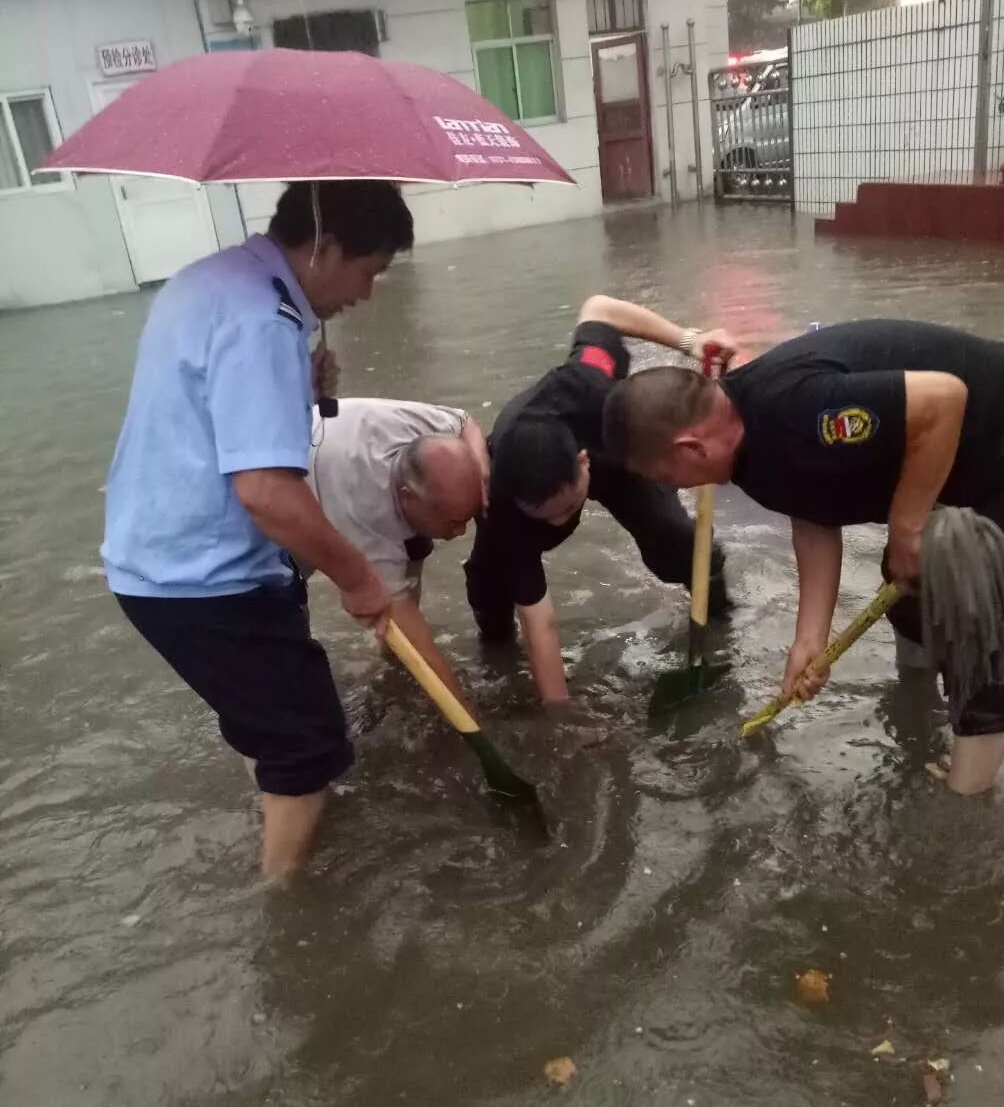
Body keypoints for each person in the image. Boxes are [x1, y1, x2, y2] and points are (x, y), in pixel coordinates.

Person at [603, 318, 1004, 794]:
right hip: (947, 454)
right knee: (910, 587)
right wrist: (809, 639)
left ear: (691, 447)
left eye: (665, 477)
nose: (672, 489)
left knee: (990, 635)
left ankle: (962, 805)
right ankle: (917, 707)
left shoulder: (795, 408)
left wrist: (907, 527)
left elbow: (943, 399)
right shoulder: (744, 450)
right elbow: (814, 517)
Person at [102, 180, 415, 877]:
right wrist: (358, 576)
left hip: (151, 557)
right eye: (369, 272)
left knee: (276, 722)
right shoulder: (264, 319)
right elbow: (267, 493)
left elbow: (210, 413)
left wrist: (296, 389)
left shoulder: (212, 279)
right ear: (325, 246)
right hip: (201, 576)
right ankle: (286, 904)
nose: (367, 294)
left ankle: (283, 814)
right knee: (309, 744)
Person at [464, 295, 728, 706]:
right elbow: (540, 621)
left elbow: (599, 308)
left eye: (568, 511)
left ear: (583, 463)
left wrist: (690, 340)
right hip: (524, 491)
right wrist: (561, 716)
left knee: (678, 541)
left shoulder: (589, 387)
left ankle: (720, 619)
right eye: (548, 519)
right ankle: (498, 655)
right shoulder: (501, 502)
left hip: (613, 458)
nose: (561, 524)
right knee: (491, 585)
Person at [308, 397, 488, 698]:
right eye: (454, 522)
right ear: (407, 496)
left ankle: (391, 660)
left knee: (411, 555)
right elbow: (413, 635)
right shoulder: (365, 512)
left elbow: (465, 422)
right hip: (293, 486)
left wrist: (482, 473)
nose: (462, 533)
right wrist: (465, 713)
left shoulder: (418, 425)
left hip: (339, 432)